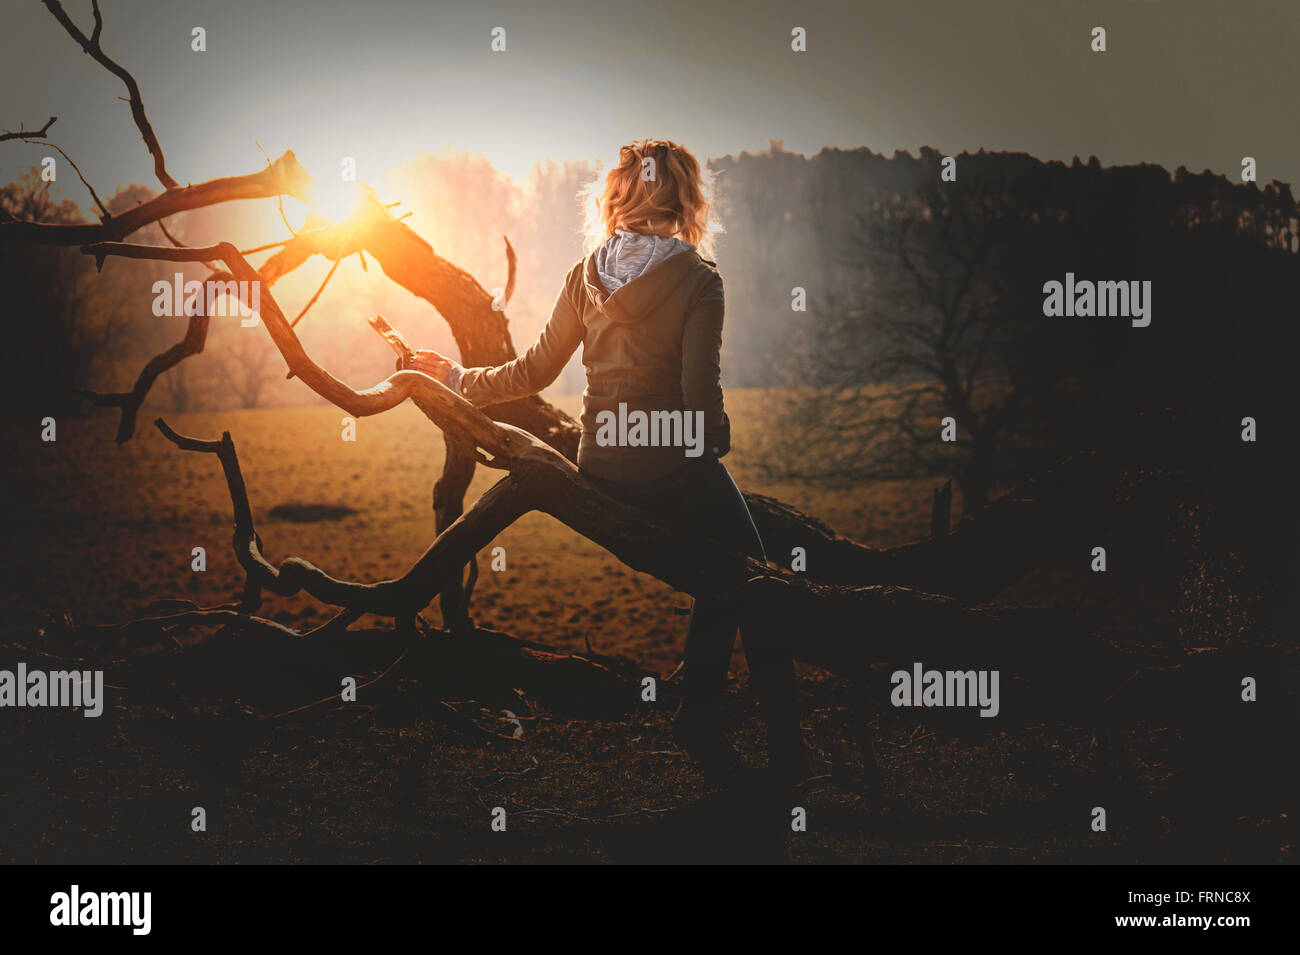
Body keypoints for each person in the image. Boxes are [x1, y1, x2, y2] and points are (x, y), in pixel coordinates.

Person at [409, 139, 807, 780]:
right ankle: (775, 744)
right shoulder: (701, 281)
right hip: (669, 471)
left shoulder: (586, 273)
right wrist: (715, 443)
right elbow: (702, 405)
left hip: (602, 467)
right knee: (755, 573)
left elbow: (532, 371)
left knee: (724, 571)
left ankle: (707, 717)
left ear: (618, 198)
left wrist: (455, 376)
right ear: (685, 201)